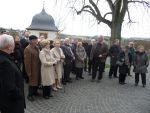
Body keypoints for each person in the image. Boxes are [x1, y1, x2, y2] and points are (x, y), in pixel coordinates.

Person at [0, 34, 25, 113]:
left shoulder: (5, 57)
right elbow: (9, 87)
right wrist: (20, 94)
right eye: (13, 44)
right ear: (9, 46)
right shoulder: (4, 62)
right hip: (12, 104)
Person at [24, 35, 41, 101]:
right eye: (36, 40)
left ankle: (35, 92)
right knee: (32, 82)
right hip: (32, 69)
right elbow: (27, 62)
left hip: (38, 68)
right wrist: (29, 72)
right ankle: (30, 95)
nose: (37, 41)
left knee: (37, 81)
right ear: (31, 41)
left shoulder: (36, 47)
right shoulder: (28, 49)